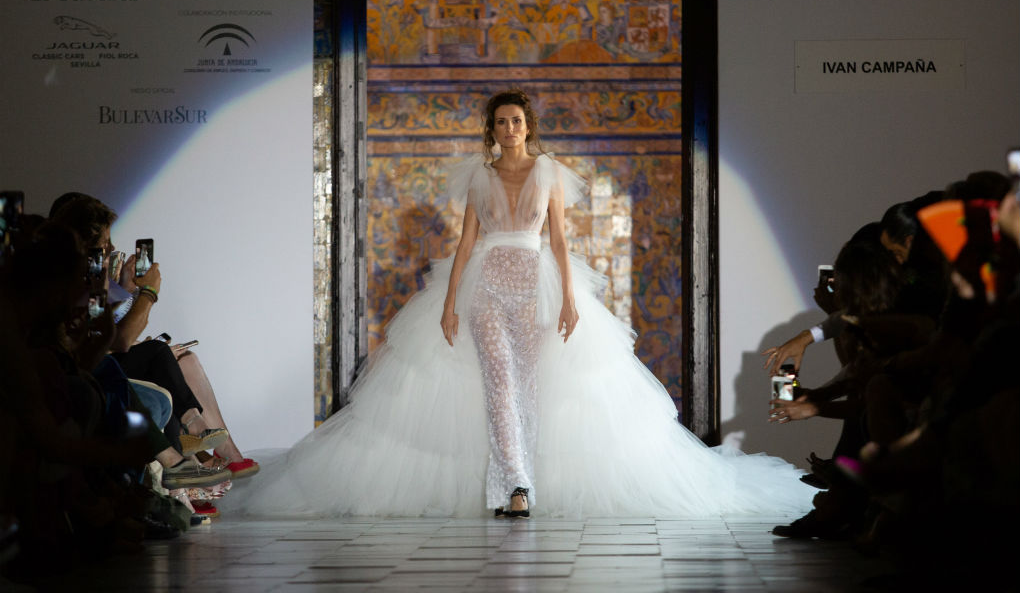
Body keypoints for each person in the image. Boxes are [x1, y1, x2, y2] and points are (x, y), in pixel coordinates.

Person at [233, 89, 815, 519]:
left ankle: (524, 481)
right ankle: (516, 486)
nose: (509, 128)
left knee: (529, 386)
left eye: (516, 120)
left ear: (527, 127)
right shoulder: (479, 177)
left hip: (535, 281)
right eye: (501, 121)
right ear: (491, 129)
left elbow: (561, 239)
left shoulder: (549, 173)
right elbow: (464, 240)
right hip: (485, 281)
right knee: (499, 383)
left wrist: (568, 297)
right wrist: (449, 303)